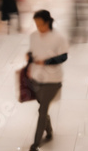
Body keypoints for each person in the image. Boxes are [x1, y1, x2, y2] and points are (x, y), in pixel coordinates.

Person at [27, 10, 68, 151]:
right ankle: (49, 131)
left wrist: (46, 62)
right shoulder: (33, 36)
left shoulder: (58, 38)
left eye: (41, 24)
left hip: (53, 80)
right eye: (36, 25)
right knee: (42, 108)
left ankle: (36, 143)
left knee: (42, 110)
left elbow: (63, 57)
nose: (39, 28)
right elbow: (32, 52)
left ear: (48, 22)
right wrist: (29, 58)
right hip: (36, 78)